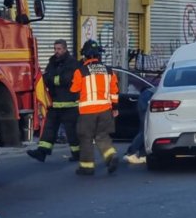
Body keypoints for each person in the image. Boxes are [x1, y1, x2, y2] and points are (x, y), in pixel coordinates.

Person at [70, 39, 120, 176]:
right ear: (99, 55)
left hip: (87, 112)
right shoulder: (109, 71)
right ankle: (111, 156)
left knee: (86, 138)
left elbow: (74, 90)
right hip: (105, 110)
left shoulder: (81, 71)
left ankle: (87, 167)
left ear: (85, 55)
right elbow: (114, 91)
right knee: (102, 136)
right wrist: (115, 107)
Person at [27, 39, 80, 162]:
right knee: (48, 129)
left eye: (59, 49)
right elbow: (45, 77)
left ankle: (78, 154)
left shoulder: (72, 63)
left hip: (69, 104)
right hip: (54, 103)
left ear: (65, 49)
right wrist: (51, 78)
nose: (56, 51)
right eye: (55, 49)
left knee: (72, 132)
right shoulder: (52, 61)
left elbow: (66, 80)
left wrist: (51, 79)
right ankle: (42, 152)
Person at [124, 85, 154, 164]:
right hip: (148, 97)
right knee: (145, 131)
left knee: (145, 130)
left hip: (147, 96)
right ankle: (131, 153)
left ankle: (142, 155)